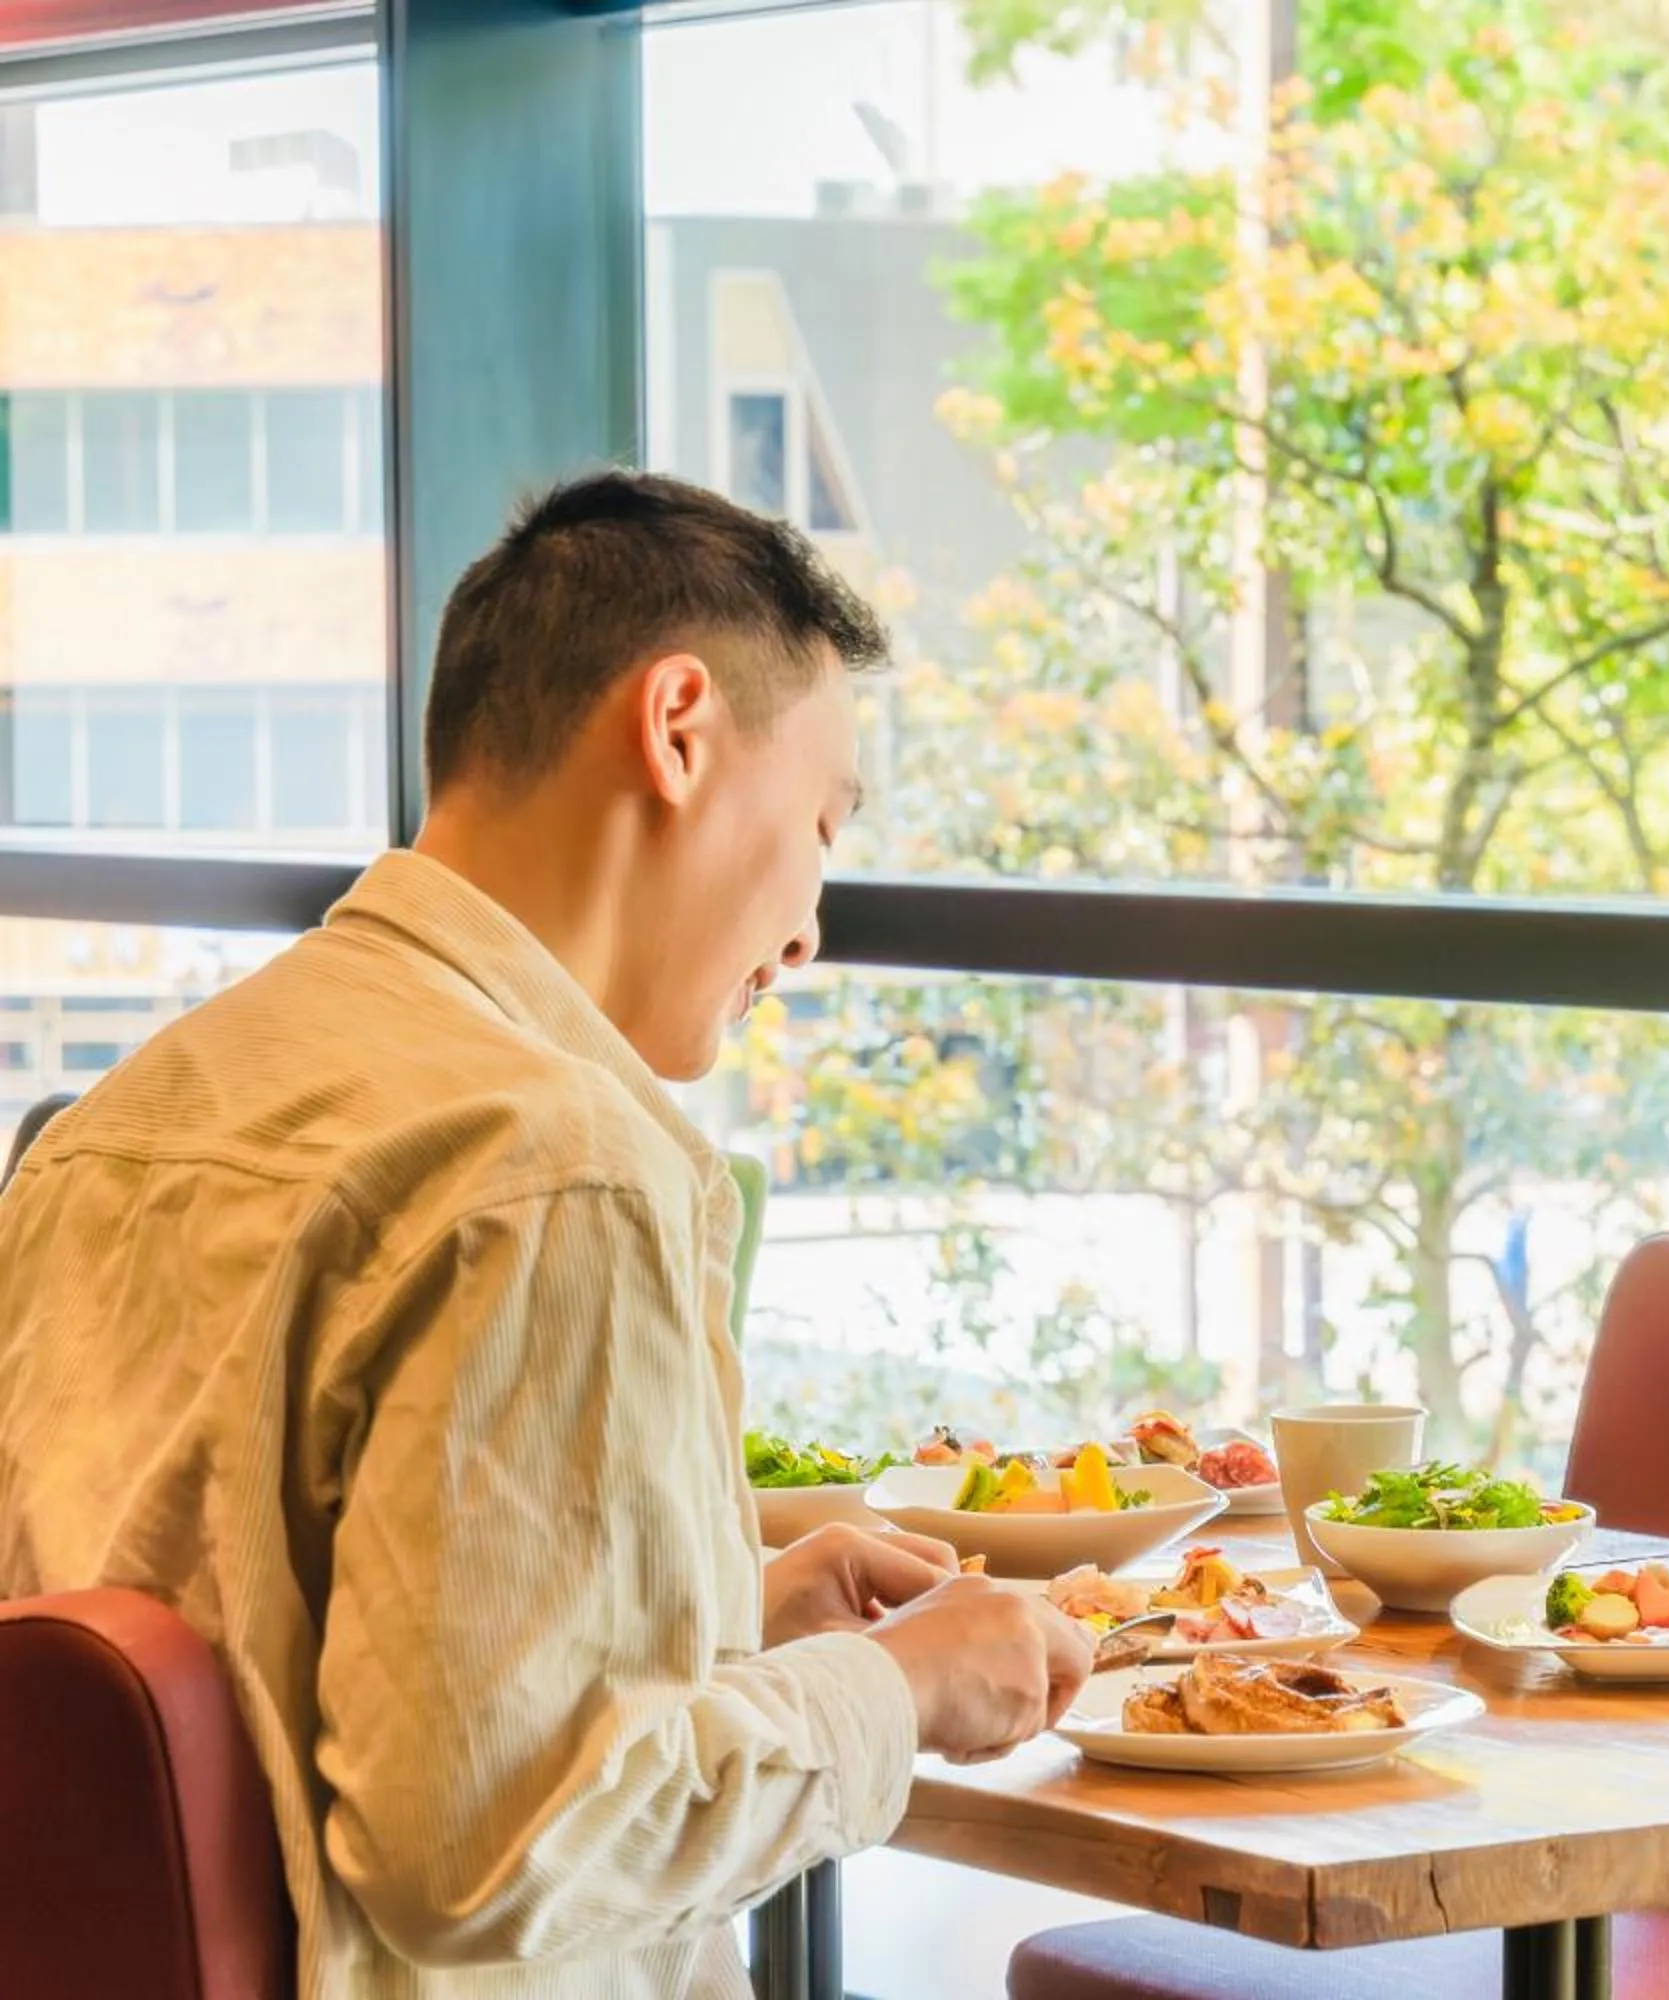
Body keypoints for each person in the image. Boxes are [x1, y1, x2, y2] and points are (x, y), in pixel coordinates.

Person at [0, 471, 1092, 1998]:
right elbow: (499, 1846)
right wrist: (896, 1691)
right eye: (822, 824)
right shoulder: (554, 1165)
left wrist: (723, 1605)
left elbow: (242, 1677)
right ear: (679, 728)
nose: (808, 929)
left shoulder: (118, 1124)